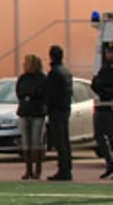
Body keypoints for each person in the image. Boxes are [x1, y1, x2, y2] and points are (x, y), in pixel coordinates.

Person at [16, 54, 48, 180]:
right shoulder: (23, 78)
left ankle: (38, 170)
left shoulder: (42, 78)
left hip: (37, 113)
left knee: (36, 141)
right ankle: (28, 170)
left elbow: (42, 93)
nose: (24, 65)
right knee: (26, 142)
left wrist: (32, 96)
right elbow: (19, 92)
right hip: (24, 112)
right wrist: (27, 97)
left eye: (27, 63)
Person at [45, 45, 74, 181]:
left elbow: (50, 93)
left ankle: (64, 170)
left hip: (56, 110)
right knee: (65, 141)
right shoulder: (66, 72)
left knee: (60, 141)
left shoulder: (54, 73)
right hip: (65, 109)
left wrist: (48, 107)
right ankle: (67, 168)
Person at [92, 43, 113, 179]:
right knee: (100, 136)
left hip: (111, 106)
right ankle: (110, 163)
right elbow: (95, 84)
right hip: (101, 105)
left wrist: (105, 90)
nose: (108, 55)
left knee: (111, 137)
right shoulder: (104, 69)